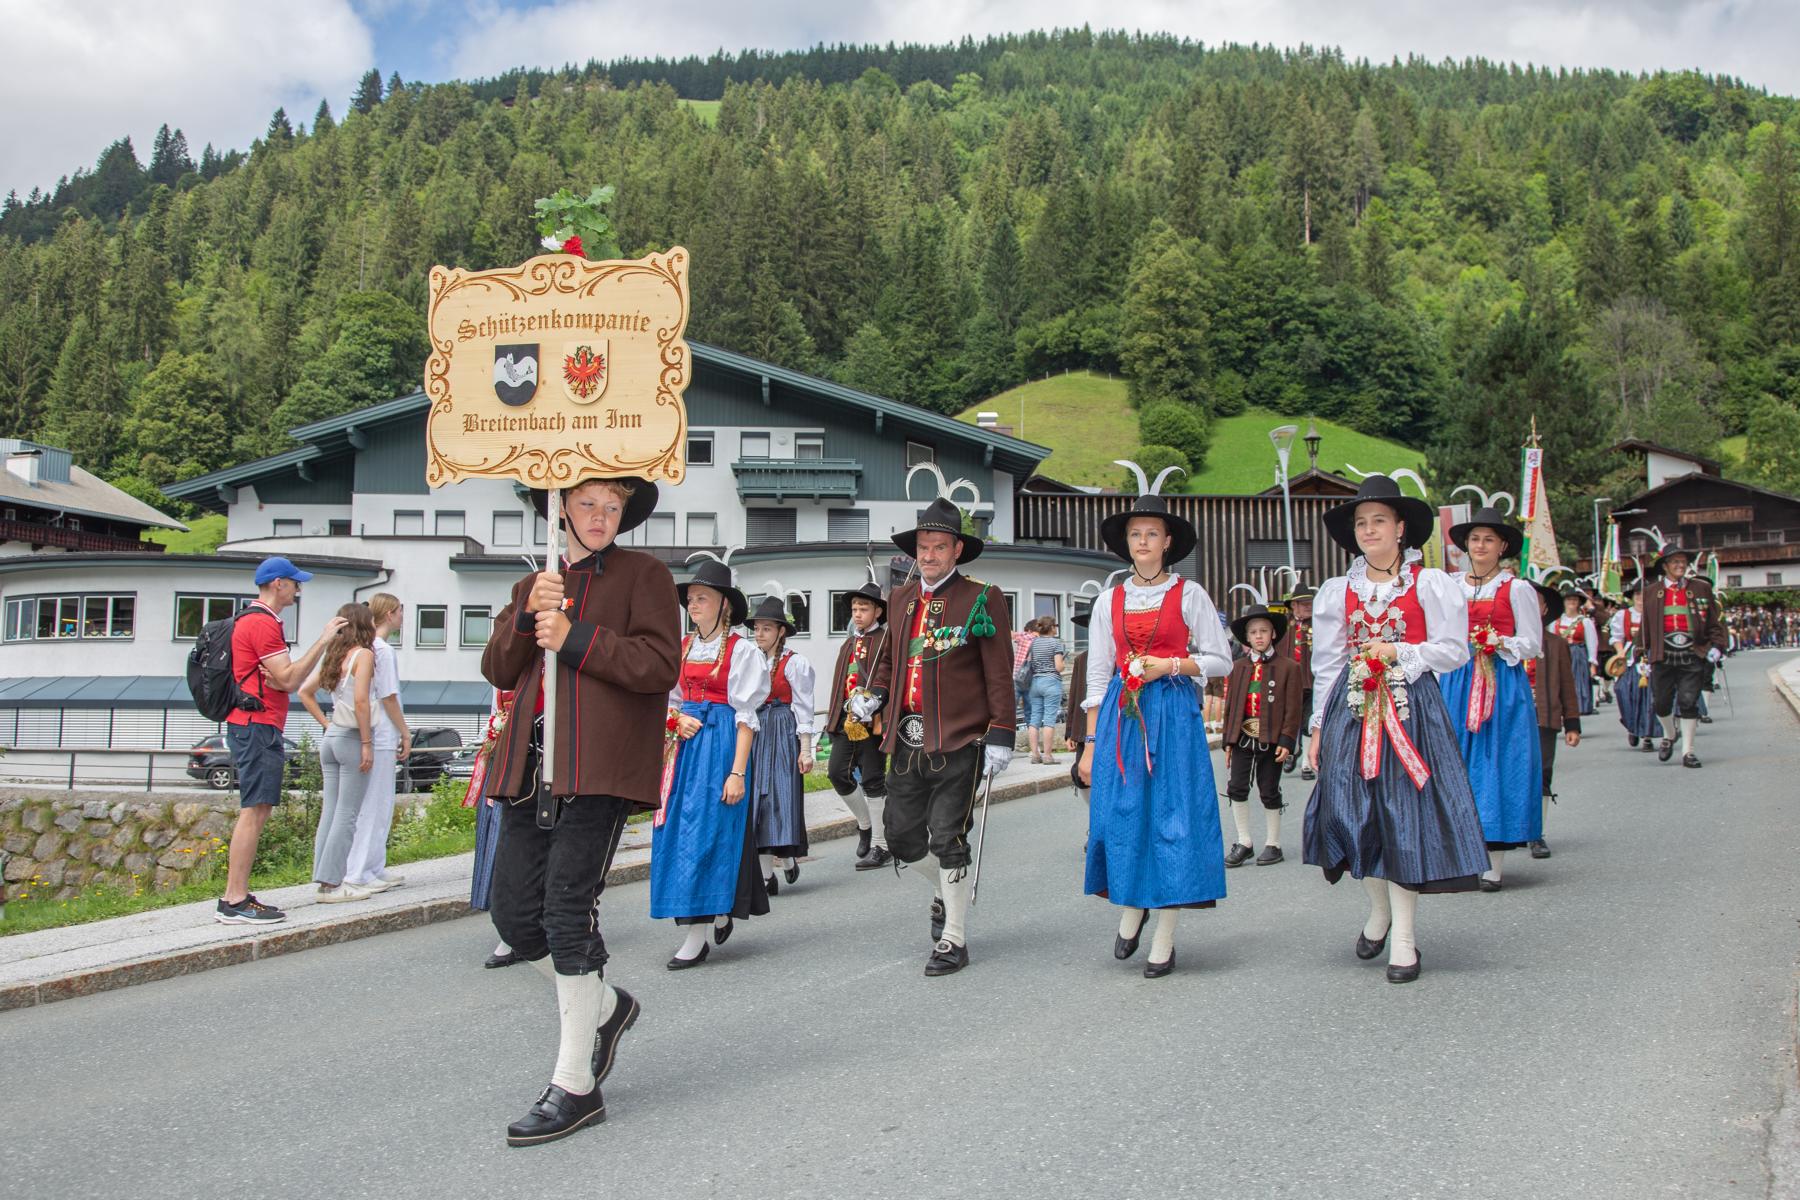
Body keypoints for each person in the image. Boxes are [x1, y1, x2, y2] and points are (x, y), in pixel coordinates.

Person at [481, 475, 679, 1147]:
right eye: (588, 503)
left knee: (567, 911)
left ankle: (575, 1085)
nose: (599, 516)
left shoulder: (644, 575)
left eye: (612, 506)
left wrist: (573, 635)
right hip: (530, 768)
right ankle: (604, 1005)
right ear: (561, 508)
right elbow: (500, 671)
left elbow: (658, 666)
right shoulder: (536, 581)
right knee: (513, 913)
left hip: (598, 768)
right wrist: (527, 616)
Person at [1302, 475, 1489, 984]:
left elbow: (1453, 651)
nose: (1369, 529)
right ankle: (1378, 910)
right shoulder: (1337, 591)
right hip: (1351, 710)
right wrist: (1317, 727)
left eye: (1379, 520)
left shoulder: (1429, 583)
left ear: (1401, 528)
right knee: (1354, 812)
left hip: (1411, 711)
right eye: (1361, 523)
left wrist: (1399, 652)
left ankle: (1404, 937)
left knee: (1403, 815)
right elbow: (1327, 664)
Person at [1076, 472, 1232, 978]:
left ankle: (1164, 930)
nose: (1143, 543)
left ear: (1168, 542)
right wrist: (1090, 742)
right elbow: (1098, 672)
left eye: (1152, 534)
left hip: (1173, 713)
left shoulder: (1190, 595)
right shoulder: (1109, 600)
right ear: (1128, 542)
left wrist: (1172, 665)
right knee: (1124, 813)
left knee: (1172, 816)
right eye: (1135, 534)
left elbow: (1221, 660)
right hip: (1124, 715)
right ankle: (1132, 904)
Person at [859, 494, 1015, 977]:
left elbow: (999, 672)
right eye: (923, 547)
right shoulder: (901, 598)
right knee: (901, 839)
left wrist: (1002, 733)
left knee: (948, 836)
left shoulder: (981, 596)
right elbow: (888, 660)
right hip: (906, 740)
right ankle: (944, 889)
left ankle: (955, 938)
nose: (928, 556)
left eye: (939, 547)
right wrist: (874, 693)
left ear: (957, 551)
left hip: (960, 739)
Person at [215, 557, 347, 926]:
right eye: (294, 583)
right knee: (254, 809)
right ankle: (234, 899)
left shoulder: (255, 621)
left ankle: (237, 895)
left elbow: (279, 678)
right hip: (257, 724)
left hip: (255, 723)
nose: (298, 589)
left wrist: (282, 675)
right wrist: (323, 640)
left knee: (258, 808)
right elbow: (289, 680)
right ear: (278, 584)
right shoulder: (261, 623)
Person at [653, 558, 771, 968]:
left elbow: (746, 718)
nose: (693, 604)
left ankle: (697, 934)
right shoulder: (681, 649)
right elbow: (667, 702)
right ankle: (711, 910)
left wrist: (737, 772)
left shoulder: (743, 652)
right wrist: (675, 718)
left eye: (702, 598)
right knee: (678, 831)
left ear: (725, 605)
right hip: (686, 751)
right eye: (690, 599)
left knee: (708, 832)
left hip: (721, 746)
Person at [1436, 505, 1543, 893]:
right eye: (1475, 539)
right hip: (1456, 681)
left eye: (1489, 540)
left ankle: (1493, 863)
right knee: (1455, 763)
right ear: (1465, 545)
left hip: (1499, 683)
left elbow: (1532, 643)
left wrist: (1501, 642)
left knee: (1495, 763)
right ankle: (1461, 855)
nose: (1480, 545)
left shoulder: (1517, 589)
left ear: (1502, 548)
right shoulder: (1450, 587)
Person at [298, 603, 385, 904]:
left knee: (331, 811)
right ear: (365, 626)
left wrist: (326, 723)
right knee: (348, 814)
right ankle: (333, 883)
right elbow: (362, 702)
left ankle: (324, 878)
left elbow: (304, 692)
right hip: (351, 738)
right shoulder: (364, 656)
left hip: (332, 736)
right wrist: (366, 743)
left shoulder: (335, 656)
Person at [1222, 599, 1304, 868]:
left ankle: (1273, 843)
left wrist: (1287, 740)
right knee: (1236, 787)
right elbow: (1232, 707)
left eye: (1264, 631)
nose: (1259, 636)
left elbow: (1294, 709)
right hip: (1243, 737)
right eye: (1254, 632)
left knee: (1269, 789)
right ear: (1247, 637)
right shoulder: (1237, 667)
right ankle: (1244, 841)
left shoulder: (1289, 667)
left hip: (1272, 738)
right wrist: (1228, 742)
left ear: (1273, 635)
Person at [1635, 541, 1727, 768]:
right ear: (1665, 565)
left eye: (1683, 562)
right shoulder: (1650, 592)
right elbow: (1644, 628)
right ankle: (1669, 734)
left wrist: (1717, 646)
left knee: (1688, 701)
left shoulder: (1700, 588)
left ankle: (1688, 751)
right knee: (1661, 704)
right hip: (1662, 653)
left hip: (1692, 652)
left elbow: (1714, 622)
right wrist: (1639, 656)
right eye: (1675, 562)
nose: (1680, 565)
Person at [747, 593, 816, 895]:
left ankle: (787, 862)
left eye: (765, 629)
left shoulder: (795, 664)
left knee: (779, 802)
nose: (759, 634)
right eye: (756, 628)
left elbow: (803, 707)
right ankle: (765, 877)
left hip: (783, 731)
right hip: (757, 732)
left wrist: (806, 749)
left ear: (781, 631)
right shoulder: (749, 661)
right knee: (757, 804)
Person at [824, 580, 893, 869]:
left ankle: (881, 844)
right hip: (846, 720)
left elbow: (887, 675)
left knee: (874, 780)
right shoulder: (849, 642)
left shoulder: (886, 640)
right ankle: (865, 825)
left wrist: (874, 698)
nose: (858, 613)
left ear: (877, 611)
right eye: (854, 608)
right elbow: (840, 682)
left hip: (870, 720)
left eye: (863, 608)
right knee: (837, 773)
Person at [343, 592, 410, 892]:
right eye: (400, 611)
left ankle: (372, 865)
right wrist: (404, 731)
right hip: (381, 732)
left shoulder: (373, 648)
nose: (402, 616)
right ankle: (359, 871)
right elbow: (388, 695)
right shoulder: (381, 650)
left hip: (379, 732)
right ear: (389, 614)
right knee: (375, 804)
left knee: (380, 803)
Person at [1527, 579, 1581, 860]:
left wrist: (1572, 722)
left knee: (1542, 773)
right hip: (1510, 718)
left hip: (1544, 716)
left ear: (1545, 608)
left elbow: (1567, 685)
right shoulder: (1498, 641)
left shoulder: (1556, 644)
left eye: (1535, 600)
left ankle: (1537, 832)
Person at [1610, 578, 1658, 752]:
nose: (1641, 598)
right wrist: (1620, 652)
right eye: (1638, 594)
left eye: (1644, 594)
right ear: (1632, 597)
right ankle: (1632, 725)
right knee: (1622, 691)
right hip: (1631, 659)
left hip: (1651, 660)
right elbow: (1616, 637)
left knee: (1649, 699)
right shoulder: (1623, 615)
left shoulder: (1656, 614)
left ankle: (1647, 735)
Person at [1275, 587, 1317, 778]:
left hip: (1312, 680)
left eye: (1310, 603)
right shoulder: (1284, 626)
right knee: (1290, 718)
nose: (1309, 607)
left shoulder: (1318, 624)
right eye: (1304, 603)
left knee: (1309, 720)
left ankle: (1307, 764)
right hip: (1289, 682)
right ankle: (1293, 750)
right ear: (1294, 605)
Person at [1024, 616, 1068, 764]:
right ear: (1052, 628)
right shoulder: (1055, 643)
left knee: (1034, 719)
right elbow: (1058, 667)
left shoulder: (1034, 643)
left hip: (1035, 682)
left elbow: (1030, 662)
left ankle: (1035, 755)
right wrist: (1064, 664)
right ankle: (1048, 756)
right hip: (1051, 682)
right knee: (1049, 719)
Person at [1549, 589, 1600, 716]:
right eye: (1568, 600)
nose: (1572, 602)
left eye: (1575, 600)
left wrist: (1592, 662)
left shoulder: (1585, 621)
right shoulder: (1556, 622)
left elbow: (1592, 642)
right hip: (1560, 656)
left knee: (1578, 682)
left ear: (1578, 603)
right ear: (1564, 602)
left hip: (1578, 655)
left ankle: (1578, 708)